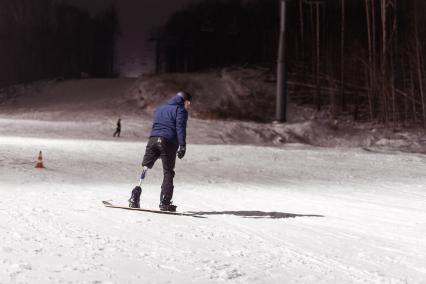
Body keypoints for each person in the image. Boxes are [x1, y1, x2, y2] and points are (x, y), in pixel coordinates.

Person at [128, 91, 192, 211]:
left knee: (146, 166)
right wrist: (182, 145)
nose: (189, 106)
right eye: (189, 103)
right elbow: (180, 127)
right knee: (168, 171)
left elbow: (156, 124)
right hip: (168, 141)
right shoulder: (180, 110)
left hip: (153, 139)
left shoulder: (160, 108)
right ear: (185, 100)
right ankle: (165, 202)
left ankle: (134, 197)